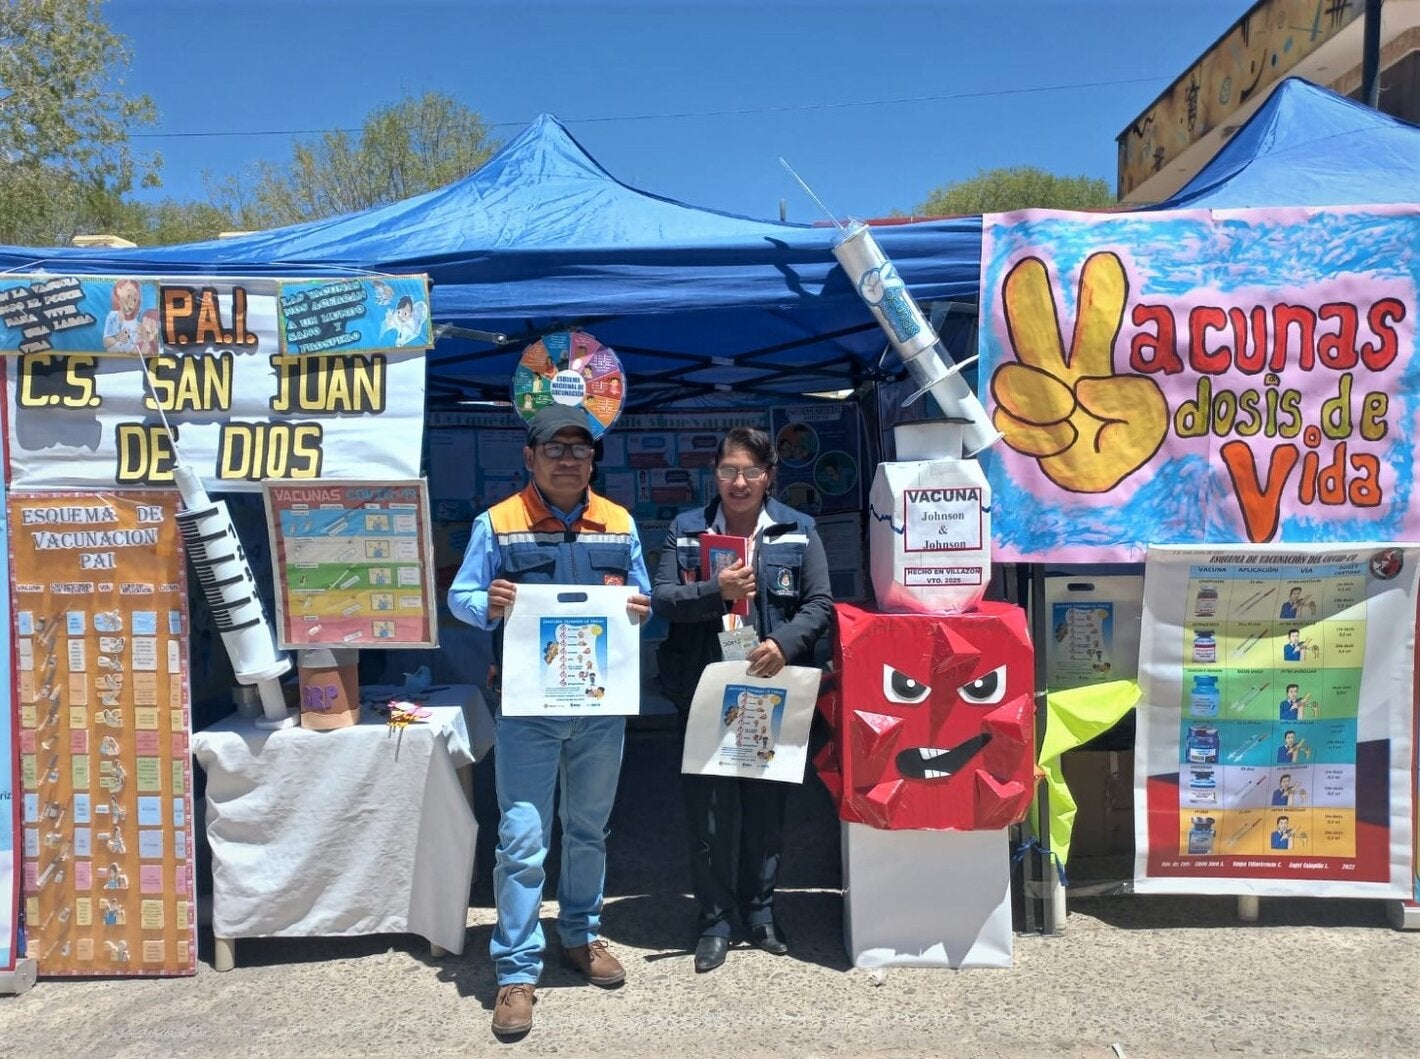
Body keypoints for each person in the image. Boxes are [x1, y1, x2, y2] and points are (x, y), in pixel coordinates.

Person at [447, 404, 651, 1039]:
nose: (569, 460)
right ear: (530, 459)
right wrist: (489, 601)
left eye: (580, 449)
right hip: (526, 711)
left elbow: (643, 594)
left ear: (594, 460)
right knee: (522, 840)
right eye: (555, 449)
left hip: (598, 711)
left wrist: (642, 608)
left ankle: (581, 936)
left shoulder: (618, 522)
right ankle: (514, 970)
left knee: (589, 830)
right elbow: (460, 596)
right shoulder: (497, 523)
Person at [651, 426, 833, 973]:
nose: (739, 481)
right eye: (729, 470)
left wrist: (784, 642)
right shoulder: (686, 531)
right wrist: (717, 591)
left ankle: (760, 913)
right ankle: (713, 921)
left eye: (751, 471)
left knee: (764, 809)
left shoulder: (798, 530)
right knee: (707, 814)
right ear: (716, 474)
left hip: (770, 690)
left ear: (769, 475)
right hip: (704, 690)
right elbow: (662, 599)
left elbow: (820, 602)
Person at [103, 279, 142, 352]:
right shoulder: (113, 316)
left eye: (134, 299)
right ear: (119, 292)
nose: (132, 303)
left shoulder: (138, 322)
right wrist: (117, 337)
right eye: (129, 296)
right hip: (114, 358)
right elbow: (106, 342)